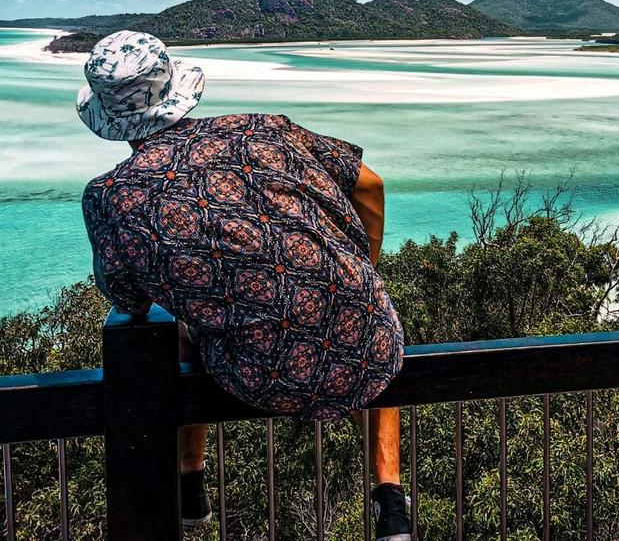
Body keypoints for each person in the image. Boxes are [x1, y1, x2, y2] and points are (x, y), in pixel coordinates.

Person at [77, 31, 410, 537]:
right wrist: (366, 262)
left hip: (259, 378)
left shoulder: (110, 198)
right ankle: (391, 500)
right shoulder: (261, 129)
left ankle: (191, 480)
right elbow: (369, 184)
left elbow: (129, 300)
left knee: (183, 327)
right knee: (368, 304)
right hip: (366, 347)